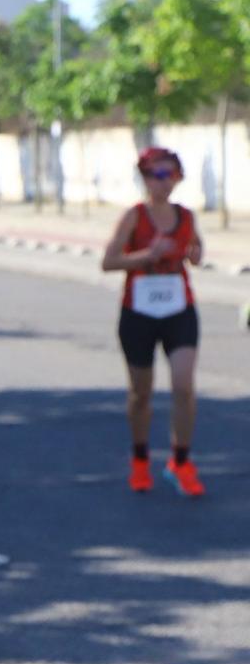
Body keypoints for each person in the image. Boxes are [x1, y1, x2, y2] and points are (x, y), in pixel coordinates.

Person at [101, 146, 205, 496]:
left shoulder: (186, 216)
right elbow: (108, 261)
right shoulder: (135, 217)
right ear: (145, 178)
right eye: (158, 175)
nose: (166, 182)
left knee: (184, 385)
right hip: (139, 312)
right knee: (140, 394)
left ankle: (181, 460)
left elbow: (196, 249)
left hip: (179, 308)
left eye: (172, 174)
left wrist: (195, 253)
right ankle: (141, 459)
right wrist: (148, 255)